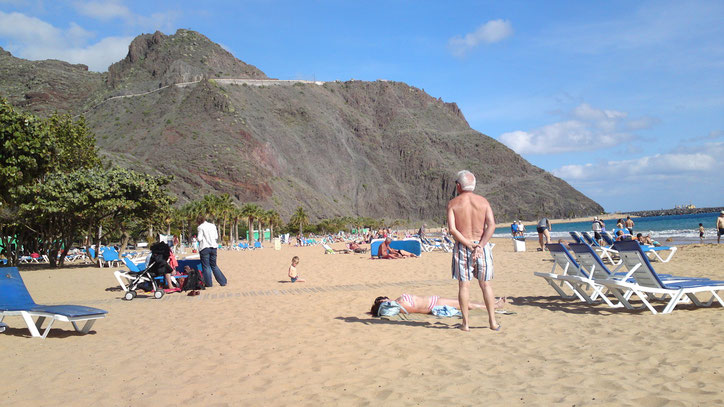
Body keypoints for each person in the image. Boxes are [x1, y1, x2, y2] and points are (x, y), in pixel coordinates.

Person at [447, 170, 500, 332]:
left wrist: (468, 244)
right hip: (481, 247)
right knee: (486, 284)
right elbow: (491, 225)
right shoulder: (483, 202)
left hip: (464, 246)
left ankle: (466, 324)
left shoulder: (453, 204)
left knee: (464, 285)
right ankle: (492, 322)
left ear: (458, 186)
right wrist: (480, 246)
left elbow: (452, 230)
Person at [371, 294, 507, 315]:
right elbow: (417, 310)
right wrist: (433, 311)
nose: (386, 298)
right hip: (434, 304)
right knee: (466, 304)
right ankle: (494, 307)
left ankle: (491, 304)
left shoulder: (397, 301)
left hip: (434, 299)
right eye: (383, 300)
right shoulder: (400, 306)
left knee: (465, 302)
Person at [197, 215, 227, 287]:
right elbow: (216, 236)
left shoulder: (200, 227)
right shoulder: (212, 226)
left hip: (205, 247)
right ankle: (223, 281)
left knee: (206, 266)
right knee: (214, 265)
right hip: (214, 247)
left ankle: (209, 283)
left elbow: (199, 238)